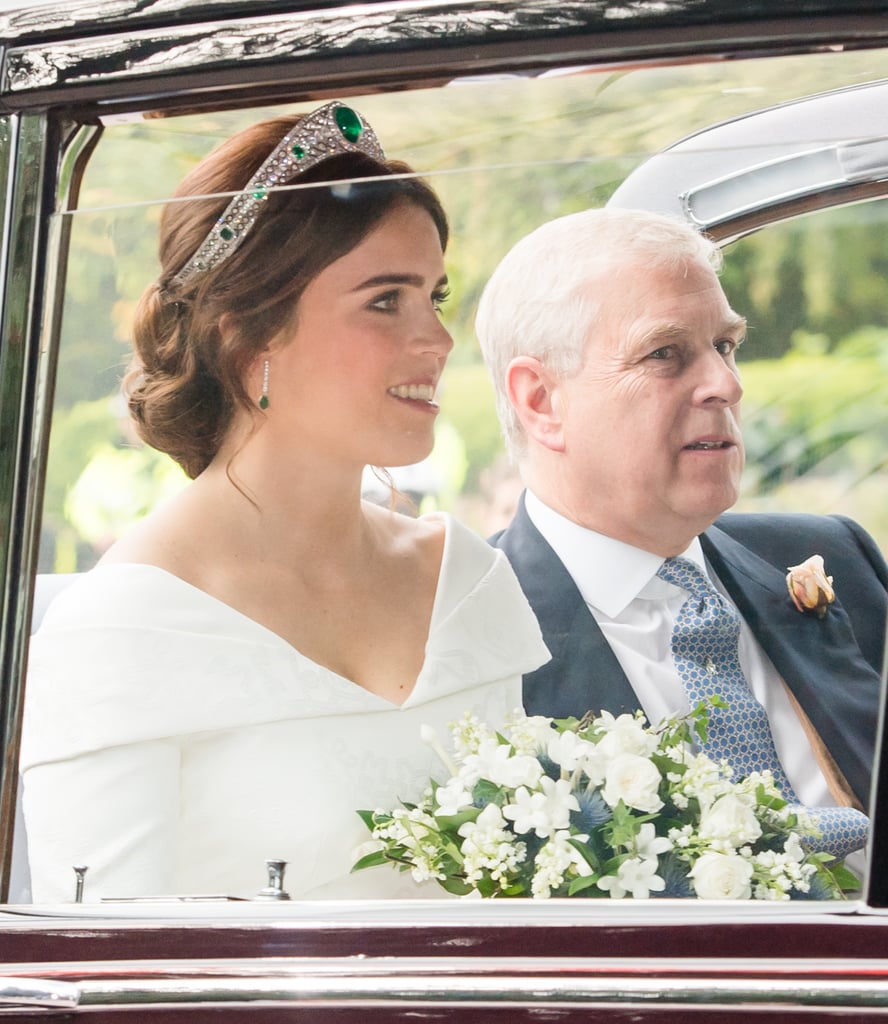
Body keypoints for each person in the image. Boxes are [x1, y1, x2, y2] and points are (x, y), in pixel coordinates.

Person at [20, 101, 549, 903]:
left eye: (434, 298)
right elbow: (105, 971)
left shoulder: (466, 581)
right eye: (385, 300)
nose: (438, 342)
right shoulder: (124, 630)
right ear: (246, 339)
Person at [477, 207, 887, 866]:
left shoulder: (837, 558)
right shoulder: (469, 638)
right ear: (541, 401)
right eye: (666, 353)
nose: (728, 384)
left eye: (725, 345)